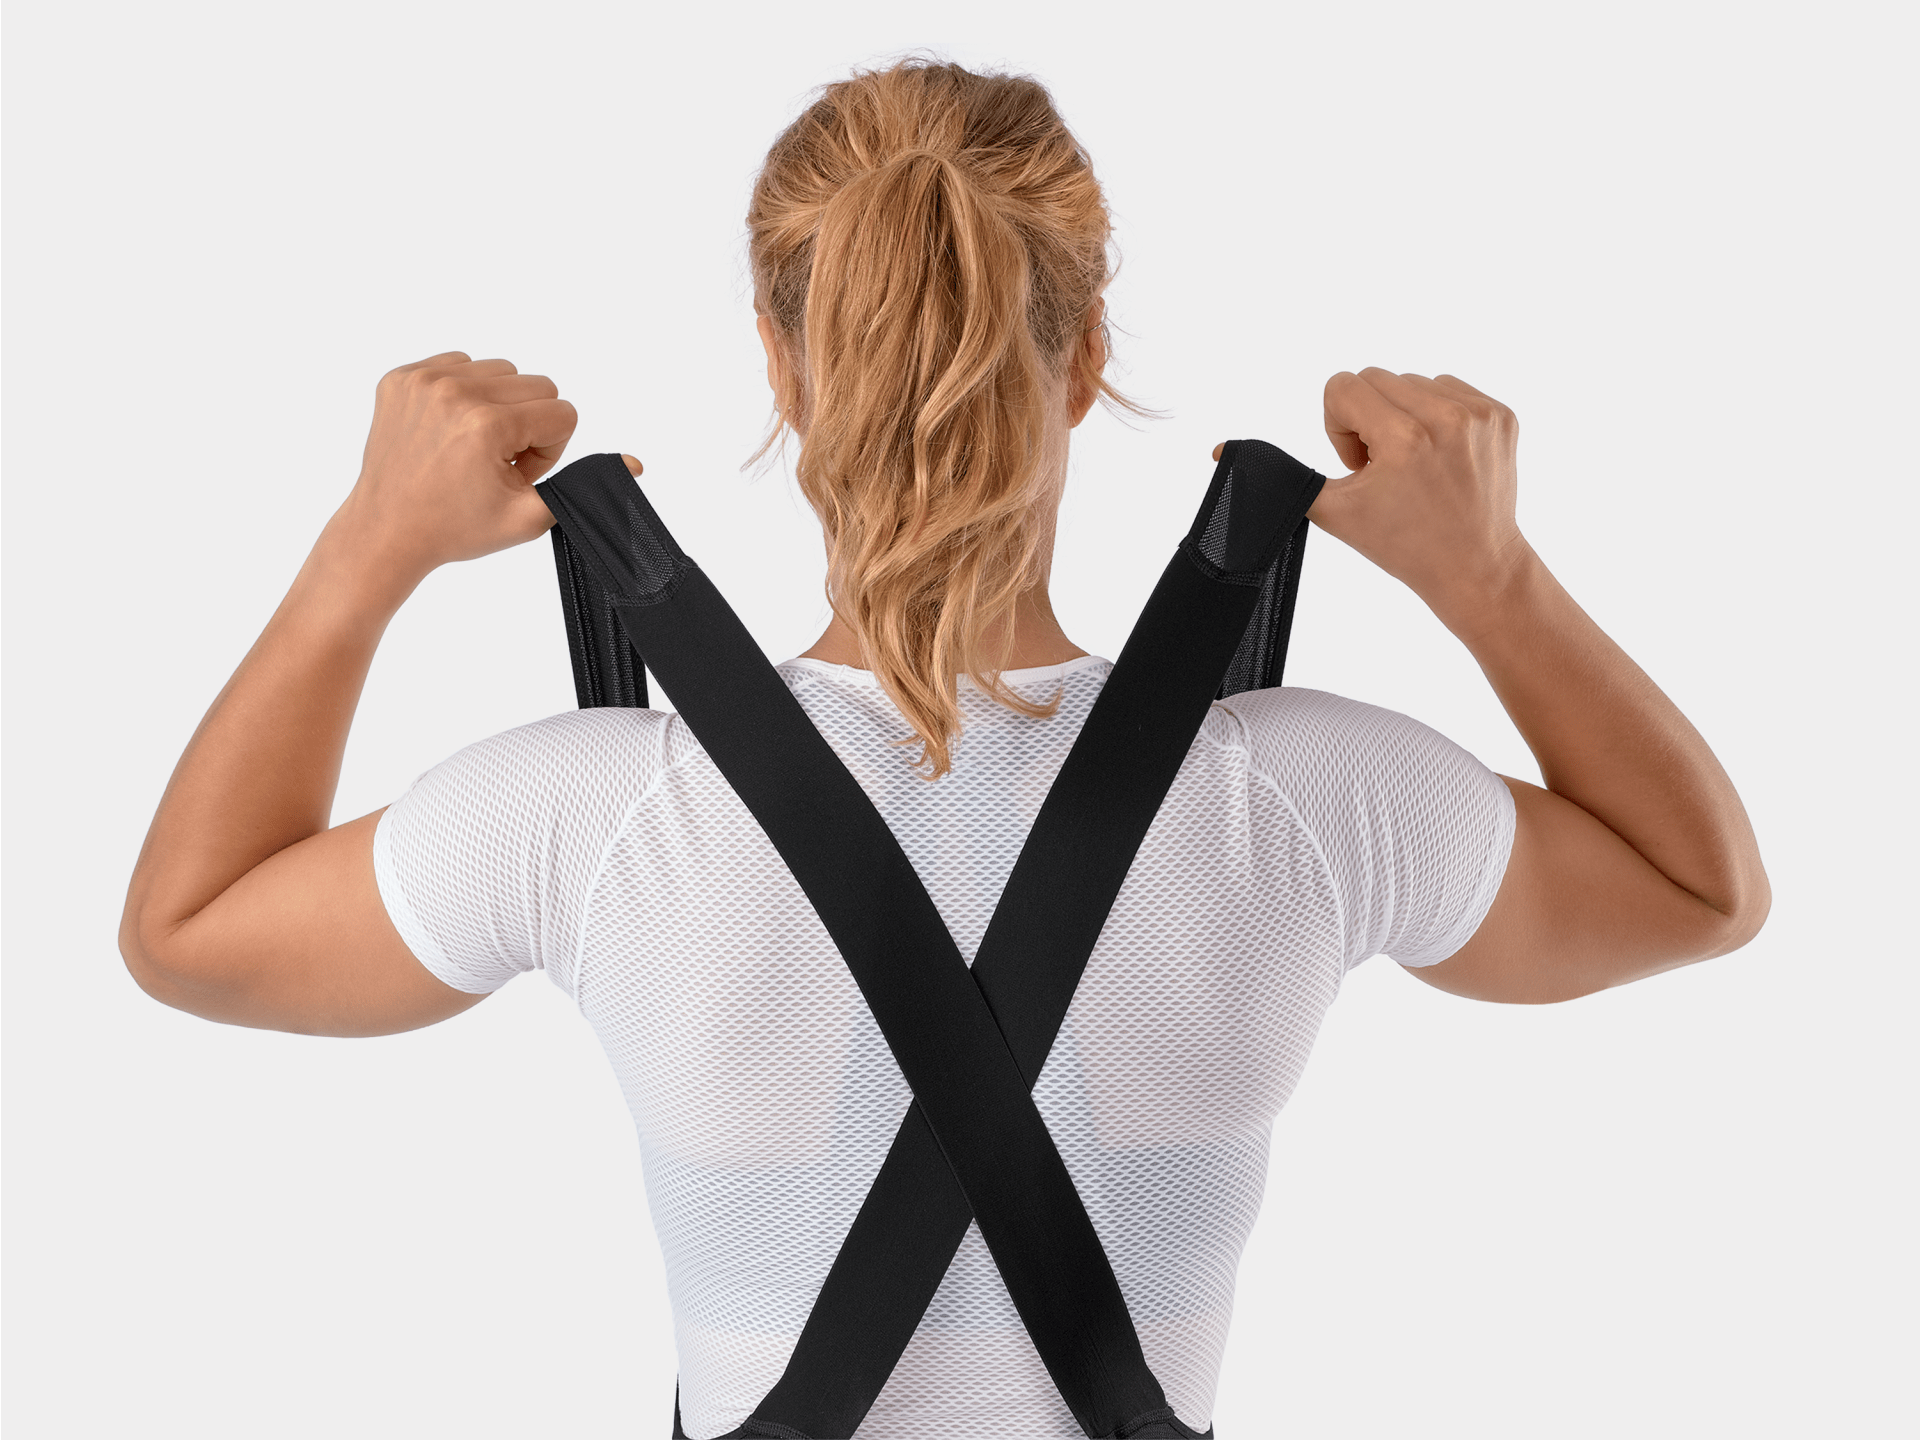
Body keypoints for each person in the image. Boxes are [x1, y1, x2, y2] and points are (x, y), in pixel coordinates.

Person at [119, 58, 1769, 1439]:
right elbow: (1698, 892)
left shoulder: (597, 813)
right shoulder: (1306, 795)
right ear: (1089, 357)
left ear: (782, 365)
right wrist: (1492, 581)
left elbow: (189, 934)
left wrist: (367, 549)